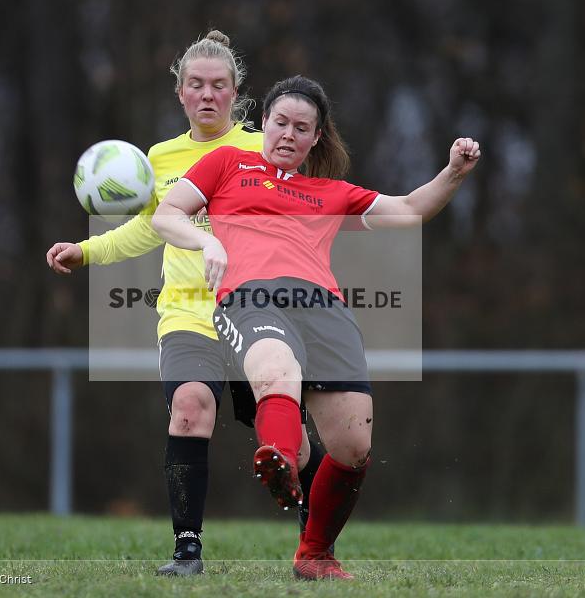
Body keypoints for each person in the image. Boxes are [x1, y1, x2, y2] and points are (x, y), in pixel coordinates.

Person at [152, 75, 480, 580]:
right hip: (250, 296)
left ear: (315, 138)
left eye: (301, 128)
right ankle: (279, 460)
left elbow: (411, 210)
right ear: (263, 123)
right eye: (280, 122)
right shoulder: (227, 164)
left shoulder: (331, 192)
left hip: (325, 308)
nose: (287, 134)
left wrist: (454, 172)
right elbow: (167, 215)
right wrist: (207, 243)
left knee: (353, 445)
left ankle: (315, 554)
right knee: (274, 370)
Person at [45, 33, 329, 576]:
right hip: (186, 315)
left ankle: (315, 545)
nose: (207, 94)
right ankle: (187, 552)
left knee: (290, 447)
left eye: (218, 86)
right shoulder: (159, 159)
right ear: (180, 93)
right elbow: (145, 230)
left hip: (253, 312)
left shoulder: (260, 152)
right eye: (195, 85)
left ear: (236, 93)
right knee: (190, 407)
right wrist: (86, 251)